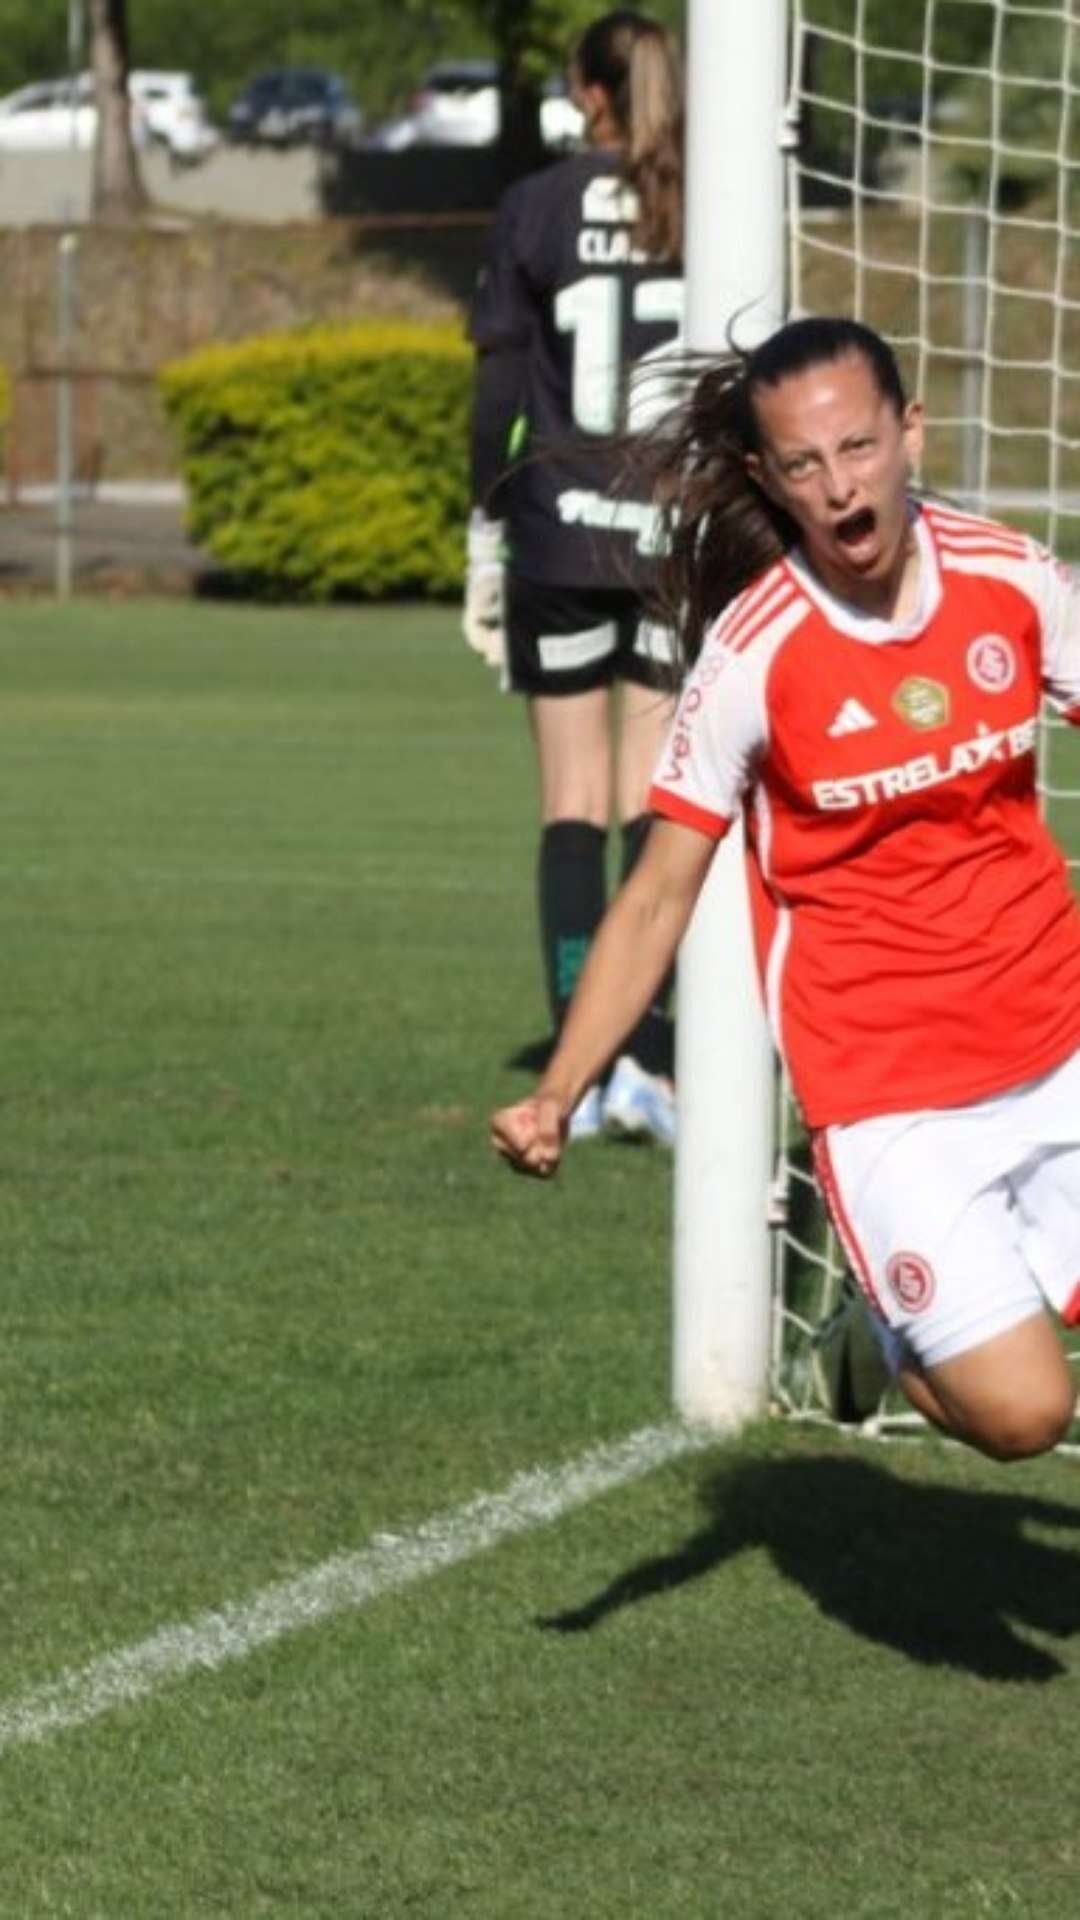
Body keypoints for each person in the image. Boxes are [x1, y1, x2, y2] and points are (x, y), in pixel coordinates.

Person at [491, 314, 1080, 1465]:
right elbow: (659, 893)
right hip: (890, 1093)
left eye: (859, 448)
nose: (842, 489)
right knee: (1026, 1417)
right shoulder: (755, 656)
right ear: (769, 477)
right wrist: (561, 1087)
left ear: (911, 431)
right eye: (805, 466)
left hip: (1057, 1037)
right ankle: (884, 1341)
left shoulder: (1012, 580)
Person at [464, 9, 685, 1146]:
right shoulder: (705, 200)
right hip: (667, 542)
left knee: (572, 804)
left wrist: (477, 530)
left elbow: (502, 390)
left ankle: (577, 1070)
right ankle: (646, 1058)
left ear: (589, 95)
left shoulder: (538, 202)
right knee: (655, 800)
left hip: (556, 533)